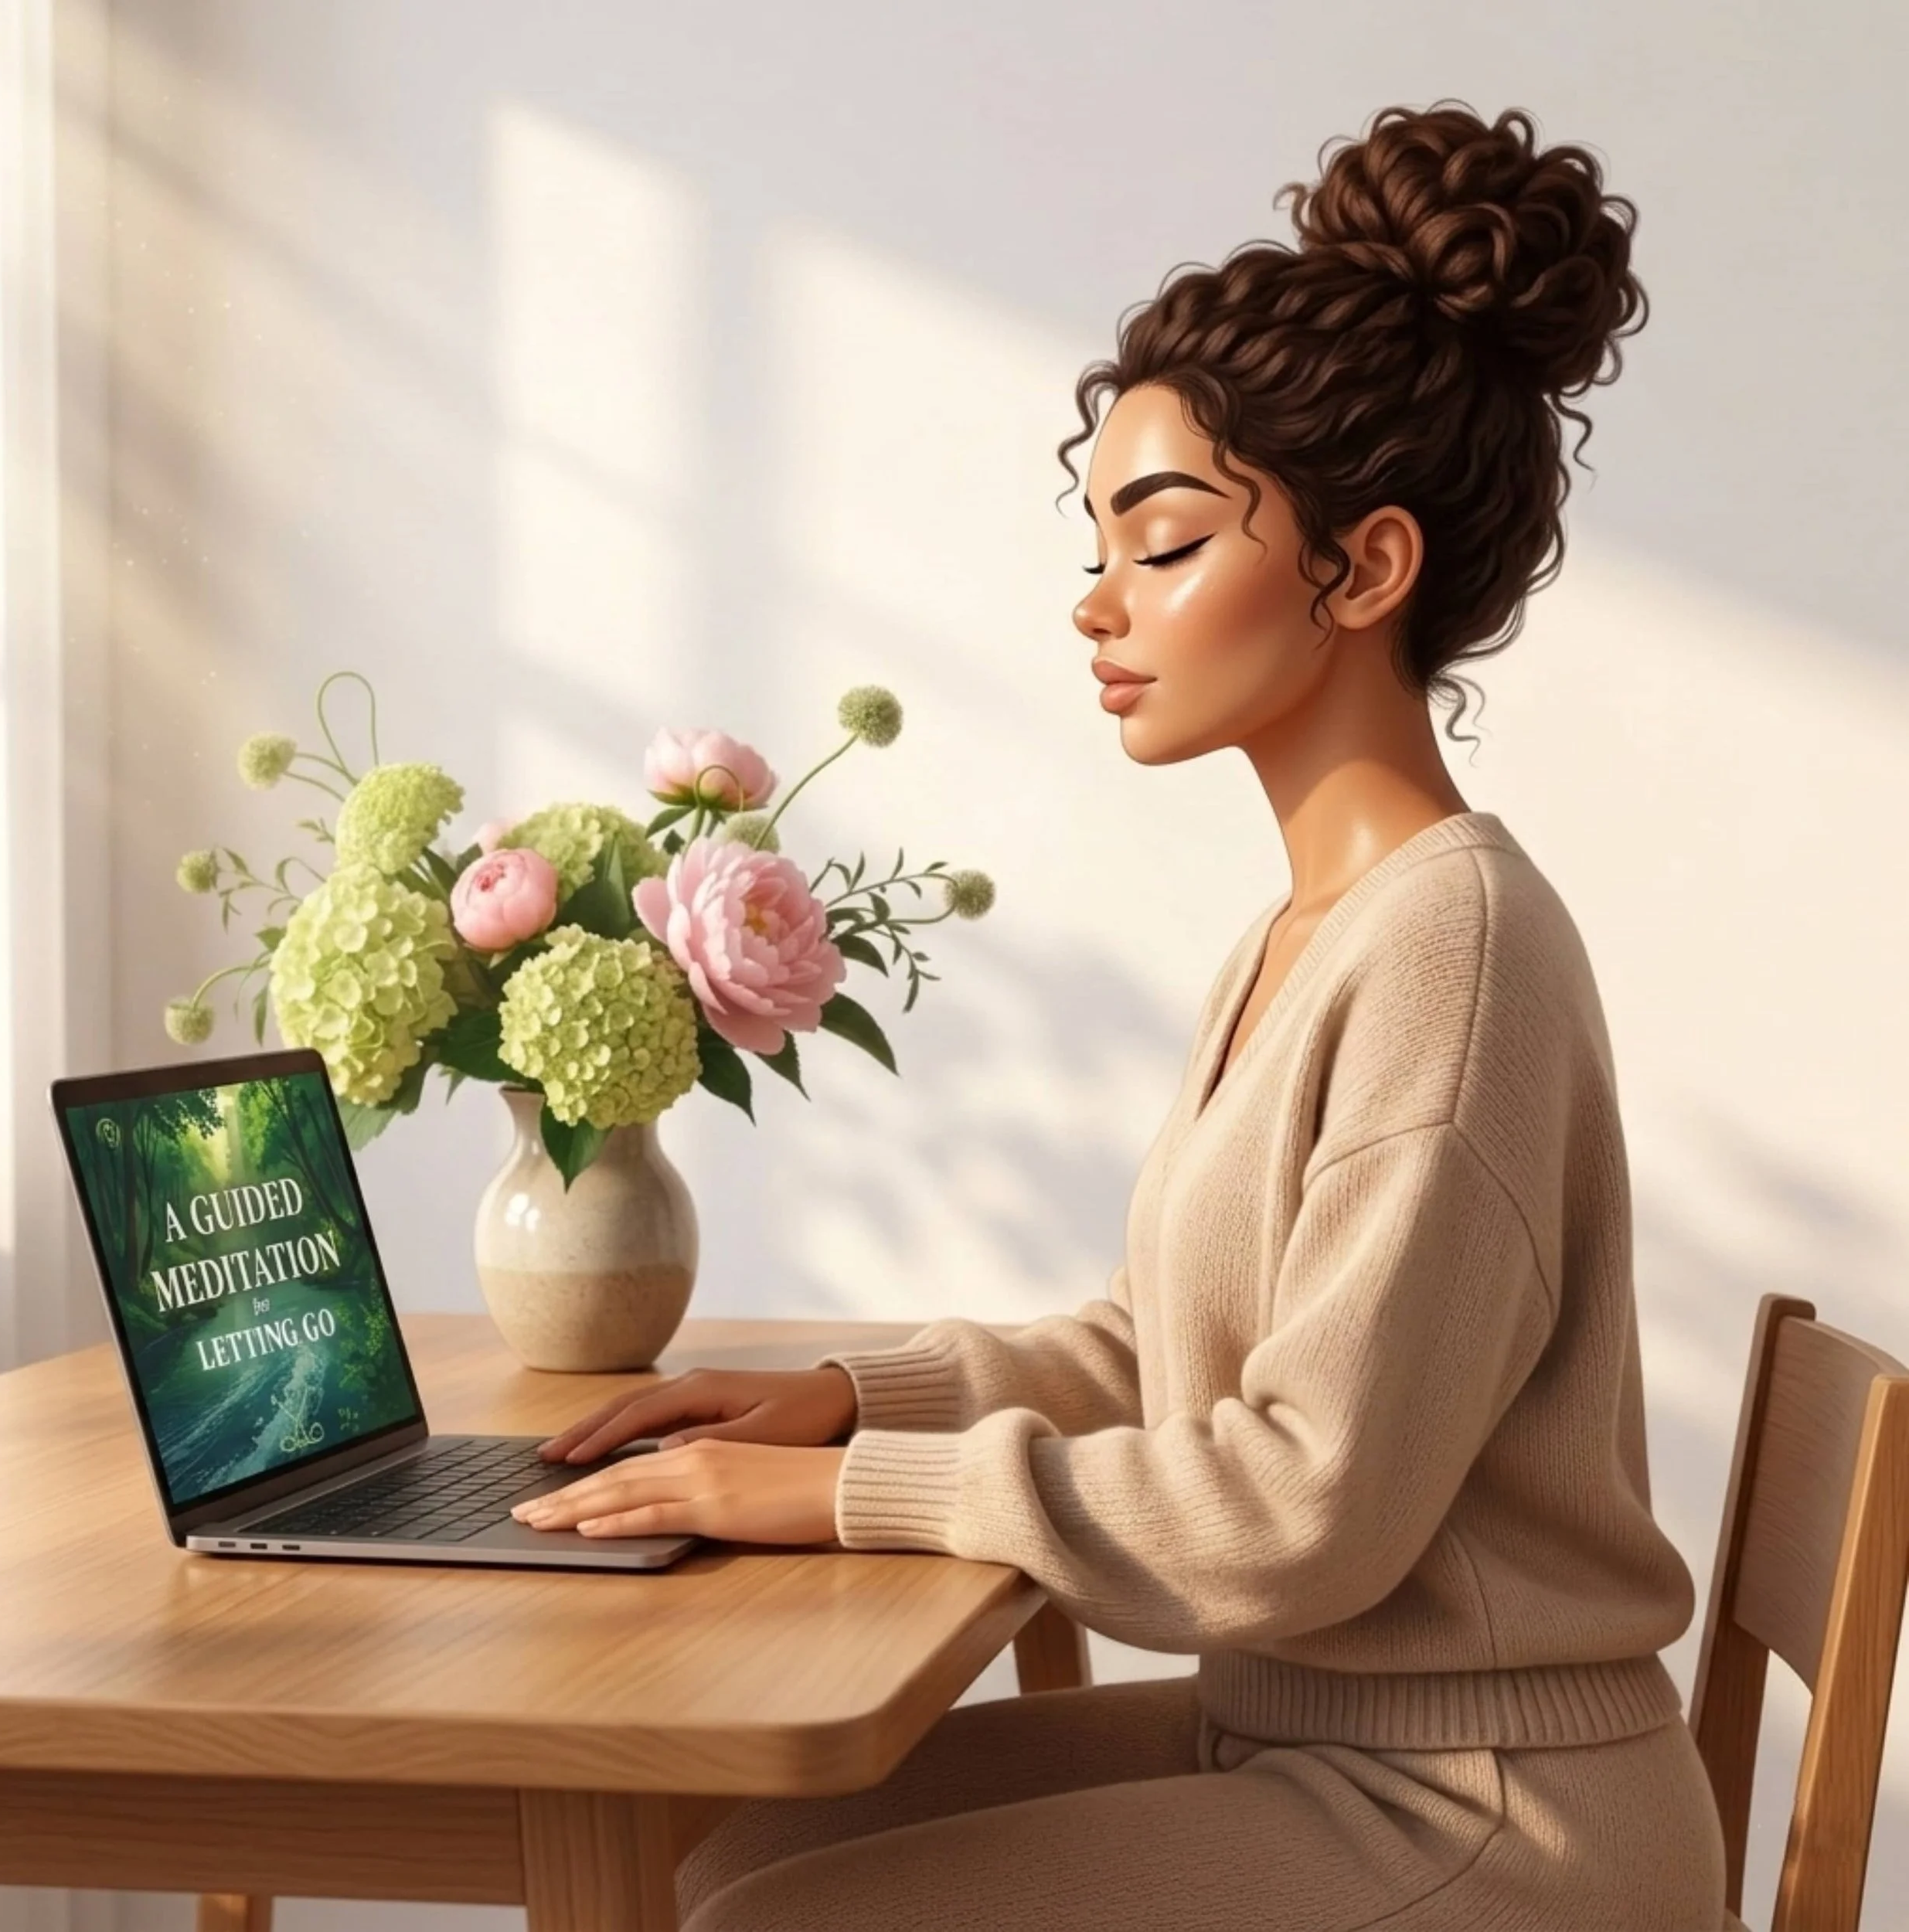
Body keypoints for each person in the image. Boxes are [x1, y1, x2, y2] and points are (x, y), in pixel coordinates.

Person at [512, 99, 1732, 1931]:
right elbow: (1184, 1353)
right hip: (1317, 1738)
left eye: (1159, 544)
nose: (1096, 602)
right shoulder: (1312, 929)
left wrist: (848, 1499)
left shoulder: (1449, 949)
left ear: (1364, 566)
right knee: (726, 1844)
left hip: (1482, 1812)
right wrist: (844, 1405)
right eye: (1098, 541)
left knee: (777, 1919)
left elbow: (1297, 1500)